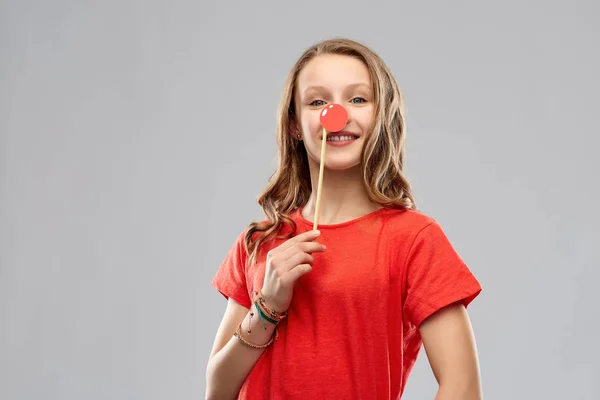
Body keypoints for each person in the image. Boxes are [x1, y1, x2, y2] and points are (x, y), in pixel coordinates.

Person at [205, 37, 483, 400]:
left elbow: (463, 387)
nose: (337, 113)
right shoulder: (260, 241)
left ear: (379, 115)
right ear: (294, 124)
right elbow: (217, 391)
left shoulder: (414, 238)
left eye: (358, 99)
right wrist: (268, 308)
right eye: (318, 101)